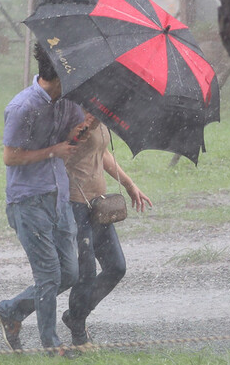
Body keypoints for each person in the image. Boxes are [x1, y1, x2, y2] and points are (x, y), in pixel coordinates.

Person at [0, 43, 86, 356]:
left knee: (69, 274)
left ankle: (10, 310)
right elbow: (10, 157)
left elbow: (70, 140)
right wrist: (52, 152)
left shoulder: (68, 102)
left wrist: (82, 131)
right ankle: (52, 344)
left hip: (59, 198)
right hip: (28, 202)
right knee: (48, 275)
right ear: (59, 75)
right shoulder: (23, 107)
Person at [61, 110, 152, 346]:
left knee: (116, 267)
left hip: (98, 205)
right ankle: (79, 336)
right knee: (86, 272)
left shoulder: (100, 114)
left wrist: (129, 184)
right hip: (74, 204)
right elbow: (58, 158)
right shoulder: (71, 114)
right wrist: (81, 132)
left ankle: (74, 316)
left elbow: (102, 153)